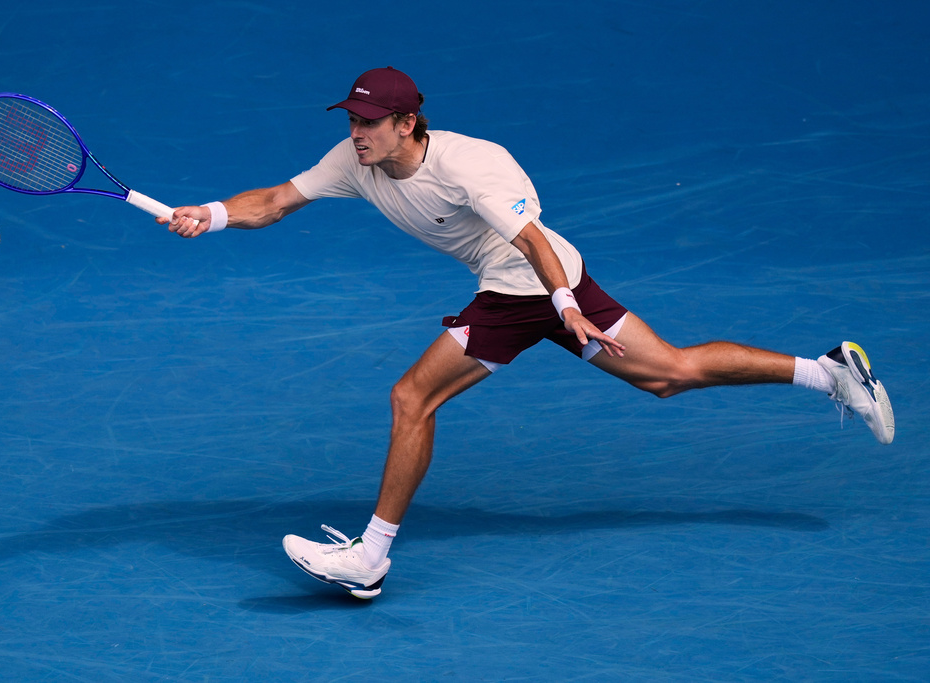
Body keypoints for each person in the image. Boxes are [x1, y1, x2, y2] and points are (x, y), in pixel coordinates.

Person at [159, 66, 895, 599]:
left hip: (532, 284)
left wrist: (565, 303)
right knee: (669, 373)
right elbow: (276, 200)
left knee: (412, 397)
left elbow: (535, 242)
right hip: (529, 291)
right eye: (351, 122)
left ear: (407, 123)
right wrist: (212, 214)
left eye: (368, 123)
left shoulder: (471, 164)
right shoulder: (359, 164)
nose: (355, 134)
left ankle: (371, 556)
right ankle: (829, 371)